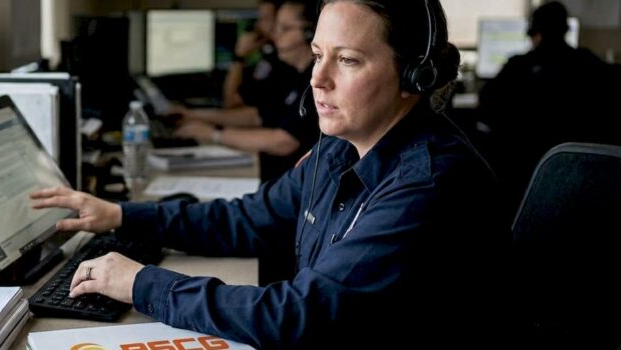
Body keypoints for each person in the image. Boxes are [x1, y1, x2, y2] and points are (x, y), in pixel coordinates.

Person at [32, 0, 498, 347]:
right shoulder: (339, 149)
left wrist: (142, 284)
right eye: (318, 55)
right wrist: (120, 215)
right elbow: (247, 220)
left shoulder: (428, 184)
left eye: (348, 60)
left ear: (412, 77)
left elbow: (299, 315)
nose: (318, 79)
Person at [476, 1, 616, 223]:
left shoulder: (518, 67)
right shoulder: (591, 64)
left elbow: (486, 107)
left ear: (535, 34)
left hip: (522, 186)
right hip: (584, 187)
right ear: (566, 31)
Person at [174, 0, 320, 184]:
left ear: (310, 34)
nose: (275, 35)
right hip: (276, 181)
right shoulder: (292, 74)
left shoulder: (316, 82)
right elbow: (259, 115)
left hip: (292, 190)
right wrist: (197, 117)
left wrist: (214, 134)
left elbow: (284, 142)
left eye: (285, 28)